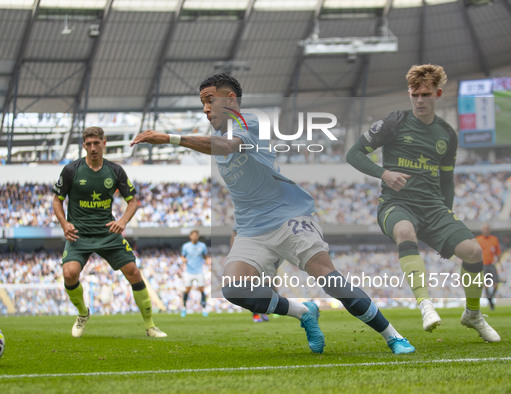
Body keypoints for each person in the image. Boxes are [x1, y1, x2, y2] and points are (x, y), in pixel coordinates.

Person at [132, 73, 414, 354]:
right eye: (202, 103)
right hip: (251, 229)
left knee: (330, 279)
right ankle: (304, 312)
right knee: (235, 289)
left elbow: (229, 146)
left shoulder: (249, 122)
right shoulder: (216, 135)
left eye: (210, 101)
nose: (205, 109)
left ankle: (393, 337)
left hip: (288, 217)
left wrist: (170, 138)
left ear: (230, 100)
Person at [346, 64, 500, 342]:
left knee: (474, 252)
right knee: (405, 232)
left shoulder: (447, 135)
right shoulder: (394, 123)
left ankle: (473, 314)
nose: (419, 100)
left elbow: (447, 180)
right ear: (409, 94)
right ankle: (425, 304)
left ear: (437, 94)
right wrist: (384, 173)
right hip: (396, 204)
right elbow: (354, 153)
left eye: (425, 94)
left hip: (434, 209)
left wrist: (448, 216)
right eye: (414, 94)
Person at [52, 126, 167, 338]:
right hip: (79, 234)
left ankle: (151, 326)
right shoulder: (71, 170)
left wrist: (123, 221)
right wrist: (64, 223)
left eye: (97, 143)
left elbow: (133, 201)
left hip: (107, 233)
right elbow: (57, 200)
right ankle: (83, 313)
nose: (93, 148)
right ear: (84, 146)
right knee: (69, 274)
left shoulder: (115, 171)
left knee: (133, 271)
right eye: (88, 144)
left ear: (104, 144)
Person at [180, 229, 210, 317]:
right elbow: (182, 256)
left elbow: (205, 256)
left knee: (202, 290)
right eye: (193, 235)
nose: (195, 237)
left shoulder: (202, 246)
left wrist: (209, 264)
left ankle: (204, 309)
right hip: (189, 271)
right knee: (187, 289)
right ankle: (184, 308)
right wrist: (183, 260)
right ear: (190, 236)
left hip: (199, 271)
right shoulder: (186, 246)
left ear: (198, 236)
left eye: (196, 235)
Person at [476, 224, 502, 310]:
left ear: (489, 230)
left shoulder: (494, 239)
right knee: (486, 285)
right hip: (483, 265)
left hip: (492, 264)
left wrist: (500, 264)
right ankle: (490, 302)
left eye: (487, 229)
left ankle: (490, 297)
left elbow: (498, 252)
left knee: (495, 284)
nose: (486, 231)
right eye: (484, 229)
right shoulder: (478, 239)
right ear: (482, 230)